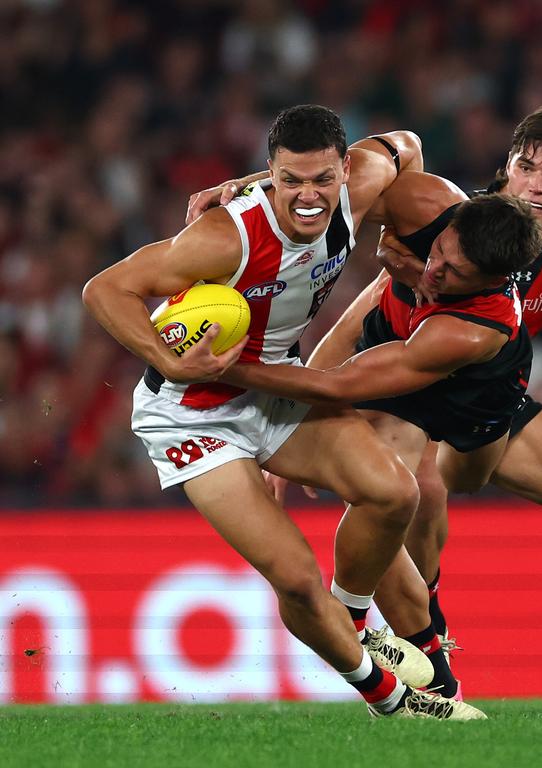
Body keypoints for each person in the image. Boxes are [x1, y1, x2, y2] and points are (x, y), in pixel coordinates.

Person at [190, 106, 542, 715]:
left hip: (484, 397)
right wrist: (255, 192)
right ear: (507, 167)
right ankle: (432, 675)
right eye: (525, 166)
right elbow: (355, 185)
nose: (534, 185)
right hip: (395, 384)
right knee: (403, 492)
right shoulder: (447, 214)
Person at [83, 104, 483, 720]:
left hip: (275, 382)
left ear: (346, 170)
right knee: (295, 578)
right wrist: (170, 358)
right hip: (192, 414)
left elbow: (407, 144)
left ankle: (352, 617)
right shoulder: (225, 236)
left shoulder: (361, 186)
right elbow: (105, 289)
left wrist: (388, 236)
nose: (306, 197)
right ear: (270, 175)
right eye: (289, 181)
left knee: (393, 494)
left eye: (322, 179)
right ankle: (391, 699)